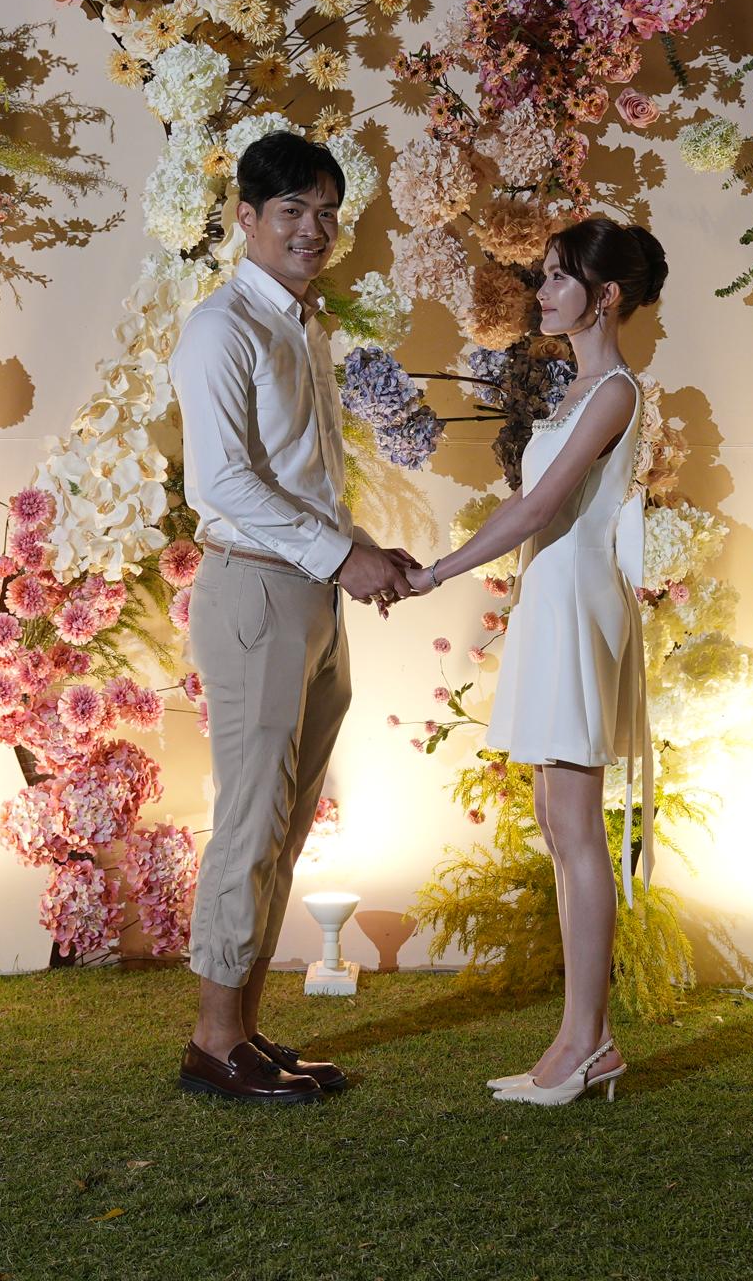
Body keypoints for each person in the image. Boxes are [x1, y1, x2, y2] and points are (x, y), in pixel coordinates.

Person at [168, 130, 418, 1104]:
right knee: (252, 815)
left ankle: (242, 1029)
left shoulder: (302, 326)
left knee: (288, 818)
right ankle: (212, 1041)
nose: (312, 229)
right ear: (247, 217)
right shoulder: (220, 328)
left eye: (326, 212)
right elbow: (223, 481)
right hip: (256, 591)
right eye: (291, 211)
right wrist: (341, 556)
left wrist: (360, 544)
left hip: (307, 589)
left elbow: (301, 478)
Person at [404, 216, 667, 1106]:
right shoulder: (574, 390)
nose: (543, 292)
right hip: (550, 600)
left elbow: (536, 510)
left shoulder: (613, 392)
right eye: (546, 275)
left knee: (577, 828)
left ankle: (589, 1042)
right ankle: (577, 1039)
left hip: (576, 603)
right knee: (558, 824)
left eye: (559, 277)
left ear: (607, 296)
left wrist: (435, 572)